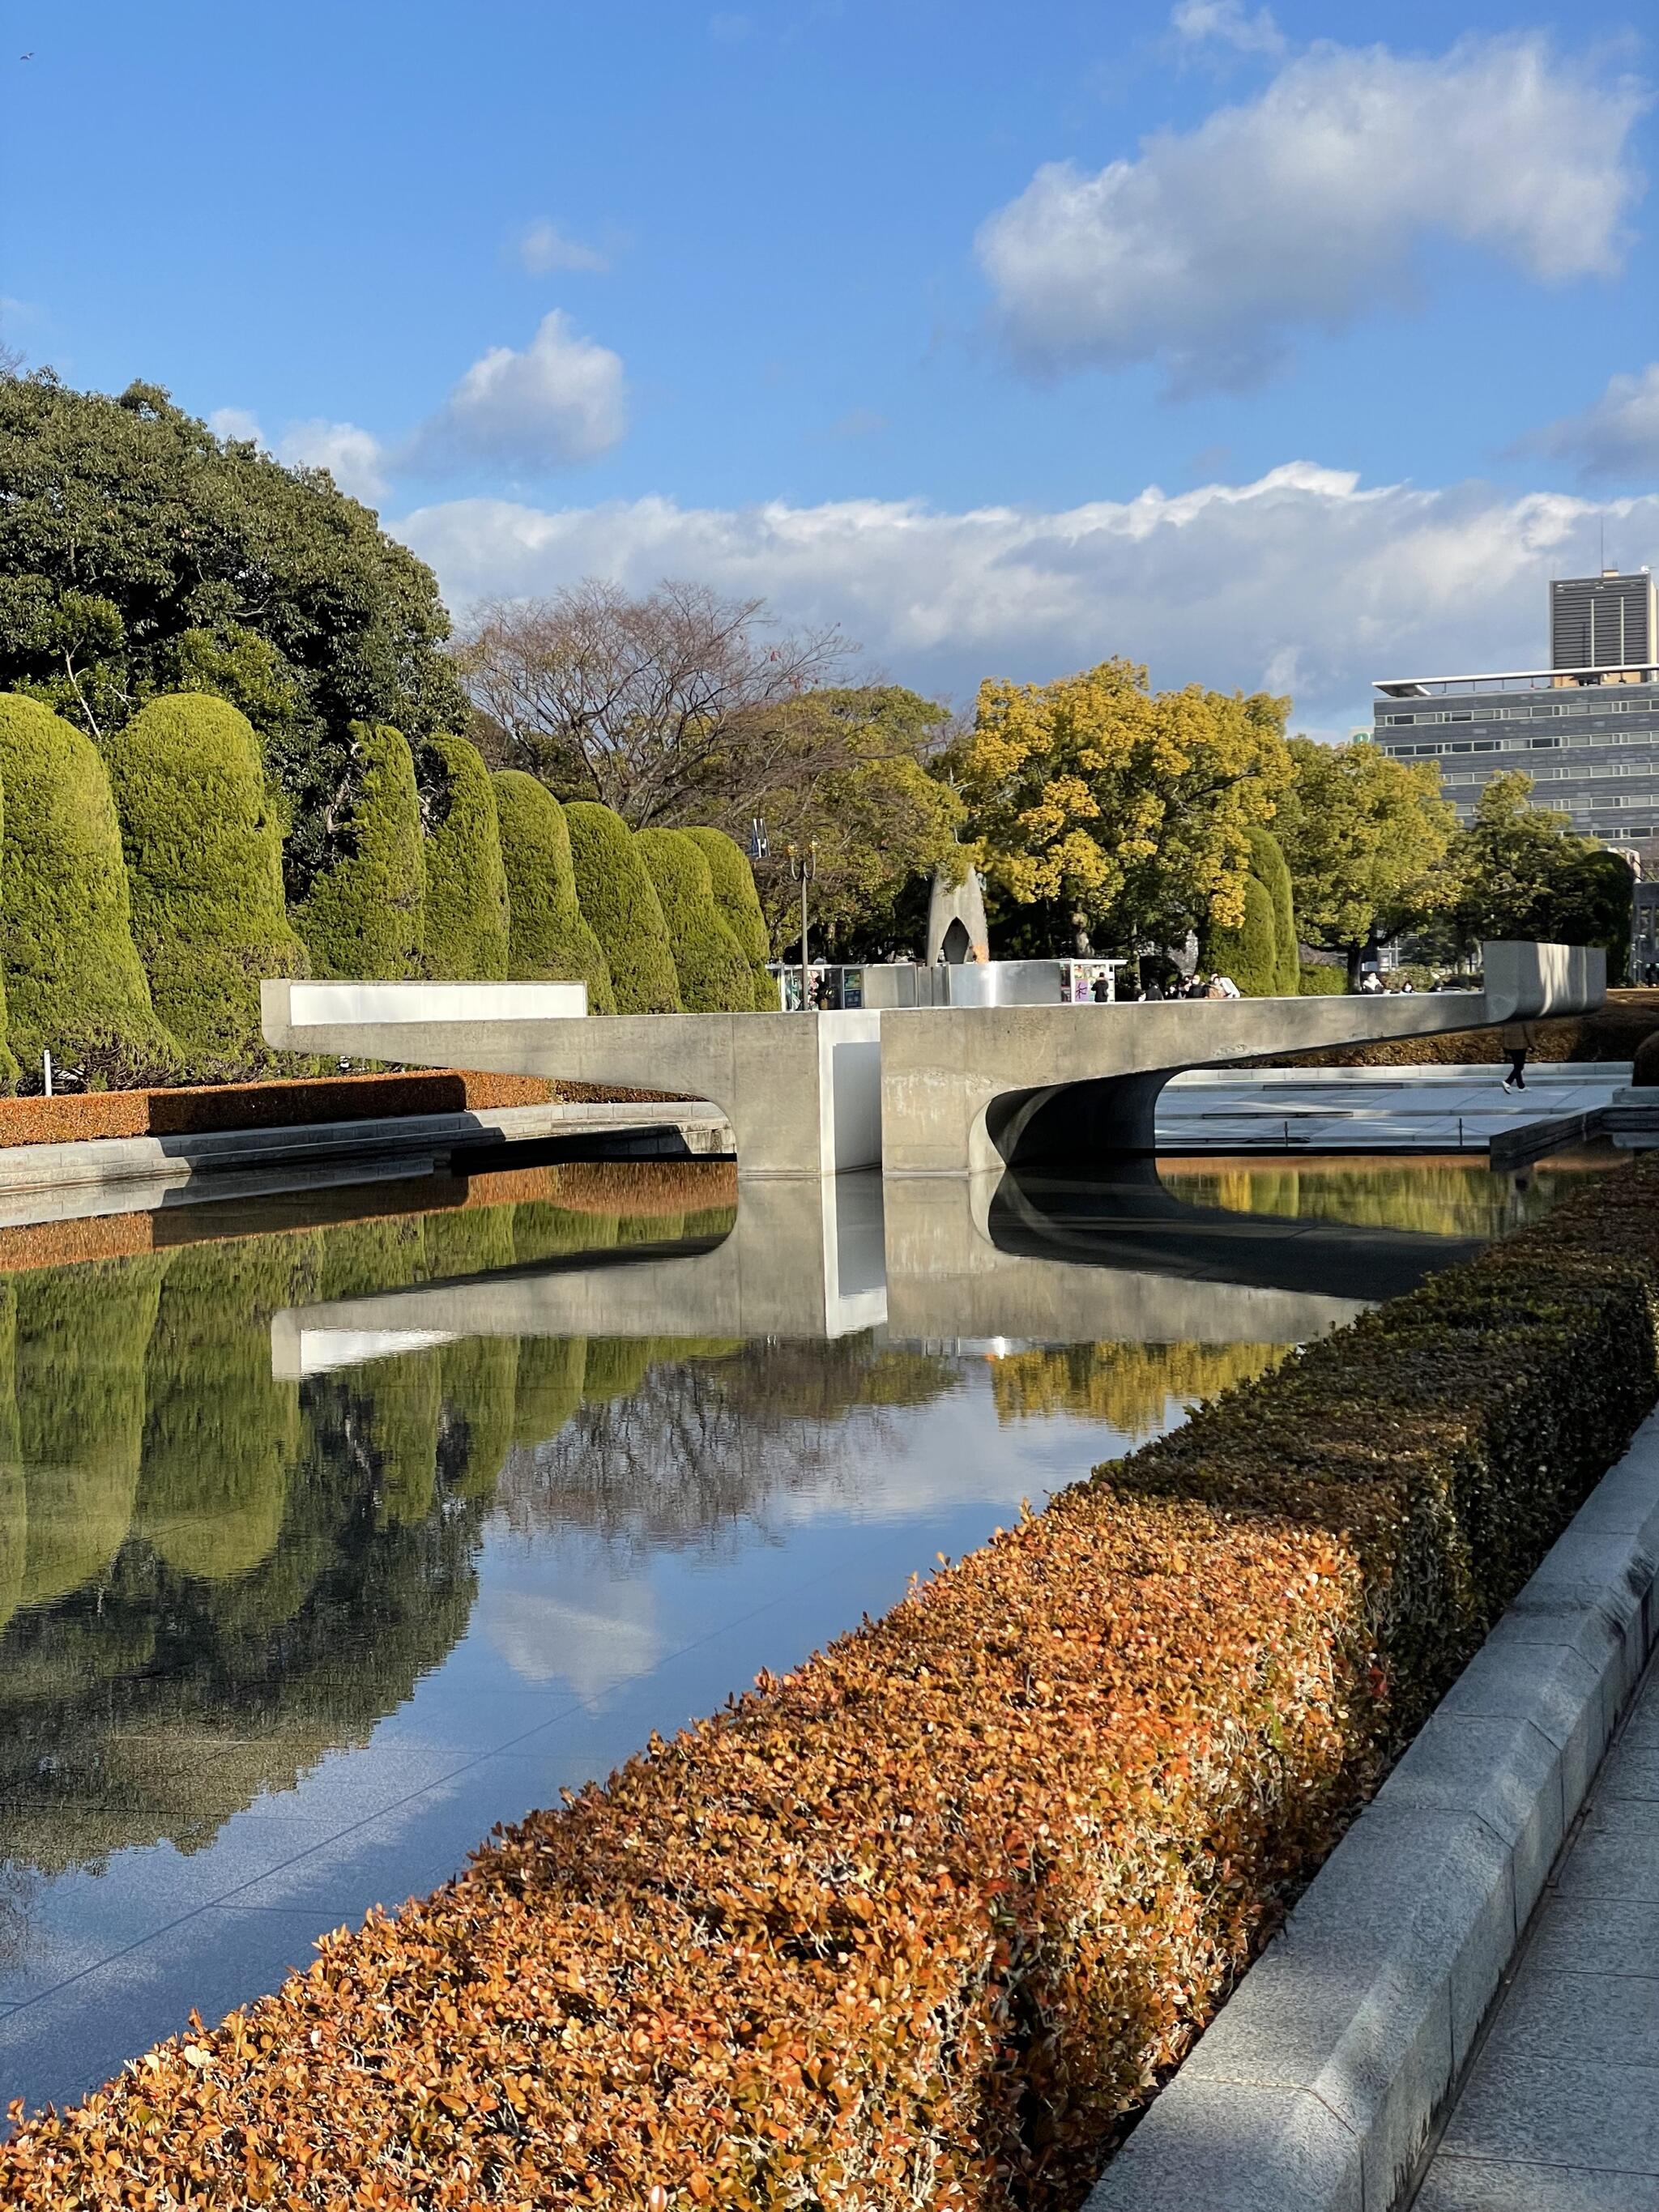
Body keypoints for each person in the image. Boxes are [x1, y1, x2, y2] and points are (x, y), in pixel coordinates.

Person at [1500, 1019, 1535, 1092]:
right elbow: (1529, 1031)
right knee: (1519, 1066)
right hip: (1521, 1045)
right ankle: (1508, 1082)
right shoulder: (1526, 1016)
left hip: (1509, 1044)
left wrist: (1504, 1045)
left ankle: (1521, 1086)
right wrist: (1533, 1045)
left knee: (1517, 1066)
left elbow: (1503, 1031)